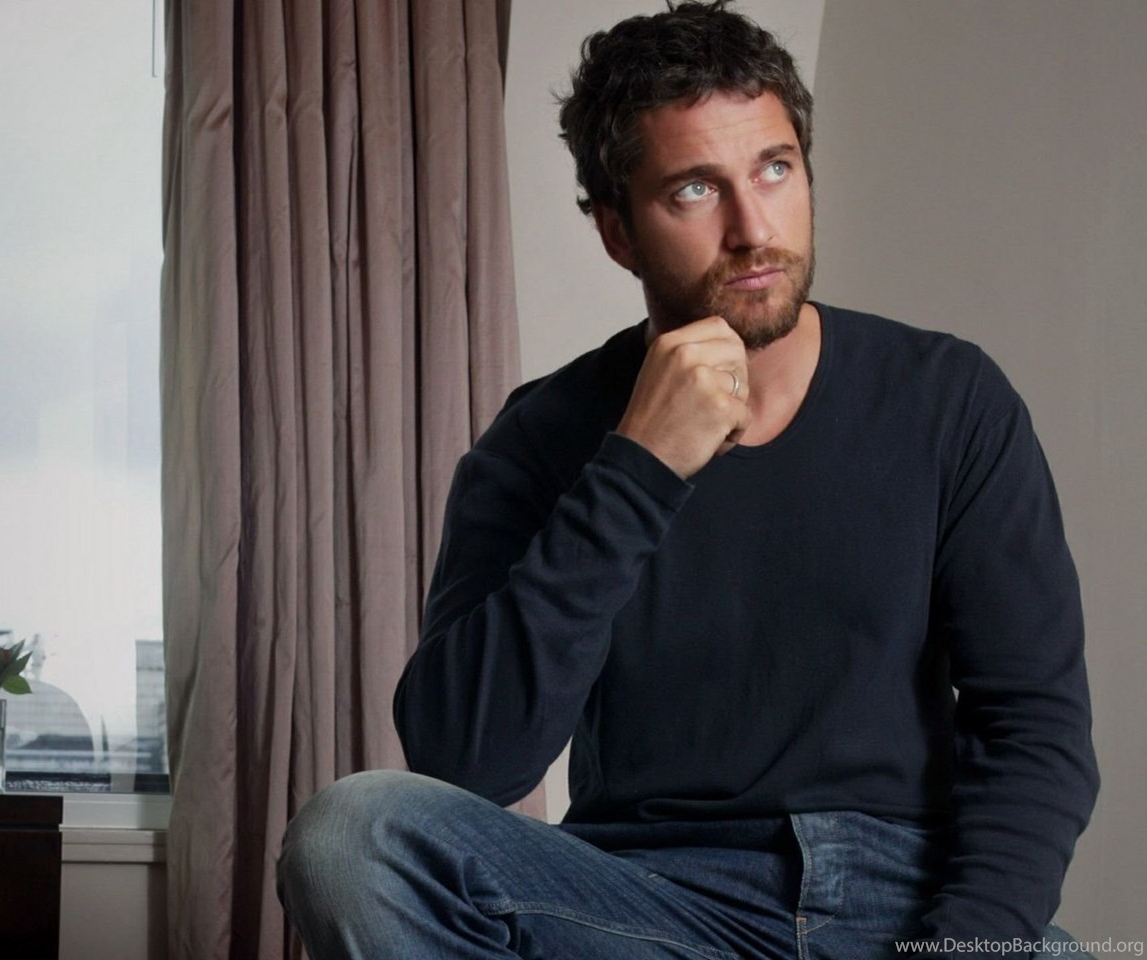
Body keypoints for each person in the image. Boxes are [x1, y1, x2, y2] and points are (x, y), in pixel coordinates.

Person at [276, 3, 1099, 958]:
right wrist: (637, 467)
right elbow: (465, 762)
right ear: (618, 233)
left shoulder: (948, 400)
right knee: (352, 837)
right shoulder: (539, 440)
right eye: (696, 190)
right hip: (643, 903)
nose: (753, 229)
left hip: (903, 900)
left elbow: (1035, 731)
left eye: (775, 169)